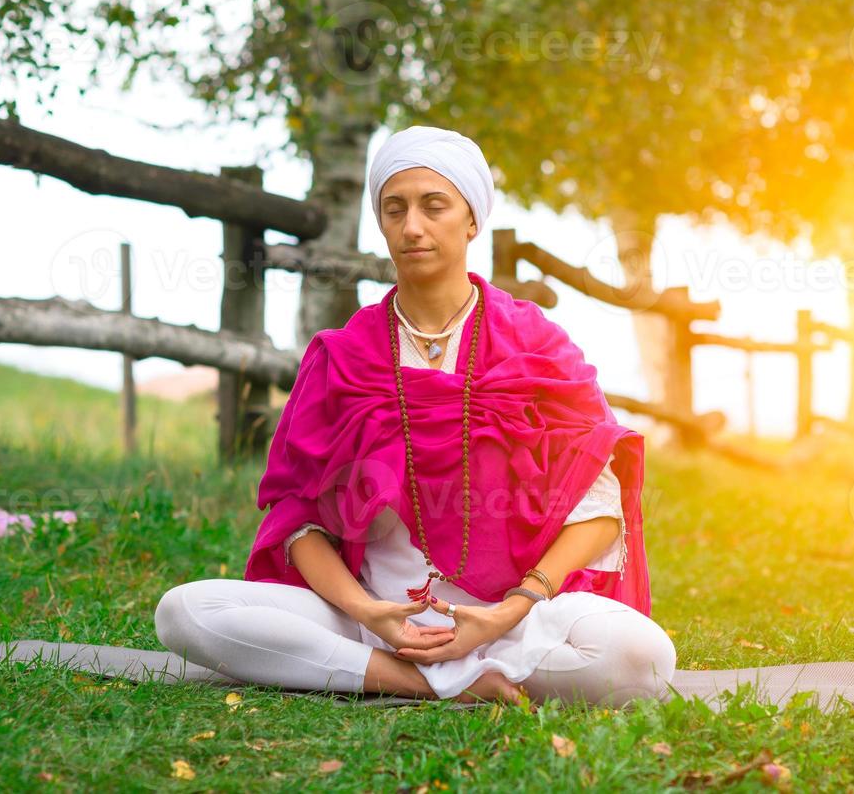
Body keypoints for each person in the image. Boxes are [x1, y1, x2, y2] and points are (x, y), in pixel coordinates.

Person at [154, 125, 677, 706]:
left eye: (435, 206)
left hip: (514, 621)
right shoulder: (341, 355)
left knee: (642, 657)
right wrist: (368, 611)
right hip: (375, 623)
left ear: (471, 219)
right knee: (185, 613)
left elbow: (600, 512)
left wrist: (512, 608)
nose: (413, 227)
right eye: (394, 209)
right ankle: (427, 684)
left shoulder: (537, 344)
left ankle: (445, 669)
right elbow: (298, 518)